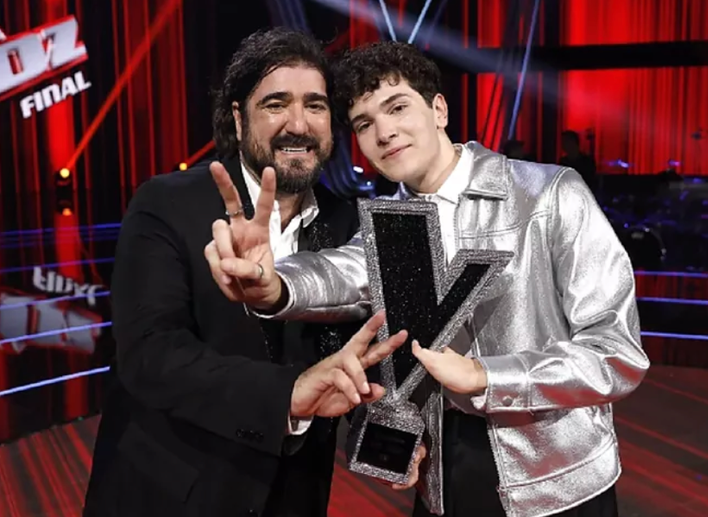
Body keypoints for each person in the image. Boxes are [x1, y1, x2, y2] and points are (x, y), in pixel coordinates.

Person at [205, 41, 649, 517]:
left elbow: (616, 353)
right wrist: (274, 286)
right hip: (442, 481)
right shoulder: (391, 222)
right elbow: (340, 270)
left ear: (438, 109)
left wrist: (487, 376)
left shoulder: (548, 193)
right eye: (365, 124)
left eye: (397, 108)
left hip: (558, 480)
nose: (385, 132)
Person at [82, 28, 412, 517]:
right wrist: (288, 395)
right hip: (170, 494)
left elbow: (365, 355)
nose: (298, 124)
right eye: (276, 104)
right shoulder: (168, 203)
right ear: (239, 120)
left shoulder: (351, 224)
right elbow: (150, 353)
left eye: (316, 106)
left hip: (295, 497)